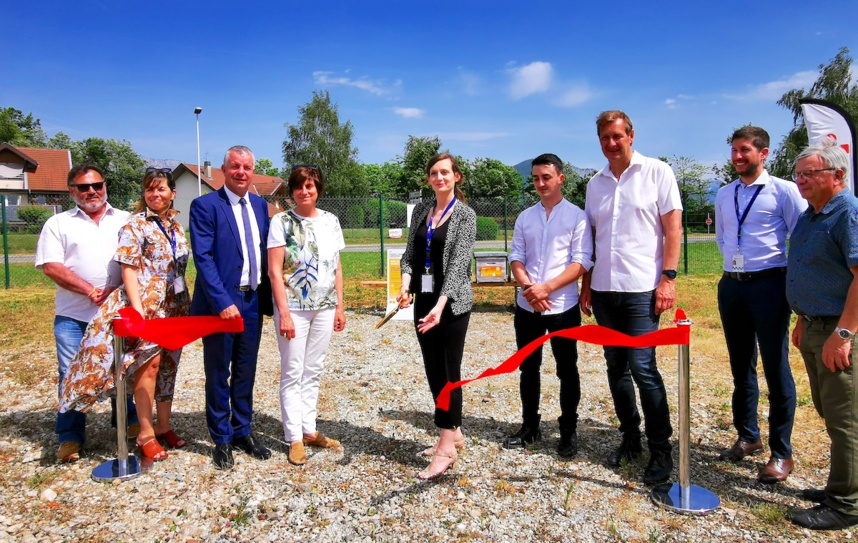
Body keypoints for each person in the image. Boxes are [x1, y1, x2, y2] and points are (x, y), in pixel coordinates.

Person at [579, 110, 683, 485]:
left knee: (643, 368)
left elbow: (673, 229)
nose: (611, 143)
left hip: (642, 289)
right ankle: (630, 438)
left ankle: (661, 450)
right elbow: (590, 238)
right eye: (605, 137)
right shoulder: (595, 184)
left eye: (617, 136)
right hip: (605, 291)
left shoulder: (657, 172)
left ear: (631, 135)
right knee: (616, 369)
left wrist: (667, 279)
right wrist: (587, 284)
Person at [59, 168, 191, 461]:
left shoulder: (176, 227)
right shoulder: (134, 226)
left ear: (172, 193)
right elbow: (128, 269)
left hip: (175, 308)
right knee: (150, 365)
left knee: (169, 366)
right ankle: (144, 432)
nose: (155, 195)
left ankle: (163, 426)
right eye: (150, 190)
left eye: (161, 189)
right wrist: (138, 311)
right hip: (148, 308)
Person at [714, 126, 806, 483]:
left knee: (775, 367)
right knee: (741, 366)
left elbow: (799, 240)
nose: (737, 157)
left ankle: (781, 451)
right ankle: (748, 436)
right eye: (734, 150)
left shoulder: (784, 191)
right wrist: (735, 264)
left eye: (744, 151)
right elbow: (723, 235)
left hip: (770, 285)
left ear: (763, 153)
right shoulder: (725, 193)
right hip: (732, 286)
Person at [35, 162, 138, 463]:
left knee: (122, 368)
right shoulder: (59, 224)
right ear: (72, 191)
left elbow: (136, 261)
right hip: (74, 315)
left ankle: (126, 420)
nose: (92, 191)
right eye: (84, 187)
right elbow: (51, 265)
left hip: (117, 313)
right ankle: (69, 437)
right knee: (70, 374)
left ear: (105, 186)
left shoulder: (125, 220)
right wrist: (89, 290)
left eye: (97, 185)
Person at [786, 139, 858, 531]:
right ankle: (842, 487)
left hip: (837, 330)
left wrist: (843, 333)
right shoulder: (812, 215)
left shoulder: (848, 213)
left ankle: (846, 505)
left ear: (838, 175)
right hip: (813, 326)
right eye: (798, 175)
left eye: (809, 174)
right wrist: (800, 319)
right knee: (831, 413)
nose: (801, 181)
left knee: (846, 418)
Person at [503, 153, 593, 457]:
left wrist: (547, 288)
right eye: (535, 178)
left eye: (546, 177)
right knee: (529, 367)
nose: (540, 183)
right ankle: (530, 427)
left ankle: (568, 430)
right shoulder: (525, 217)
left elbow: (581, 261)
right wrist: (529, 288)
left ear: (560, 179)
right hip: (527, 305)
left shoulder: (577, 216)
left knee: (567, 369)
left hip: (562, 306)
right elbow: (516, 257)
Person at [190, 145, 273, 470]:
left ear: (253, 171)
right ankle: (221, 439)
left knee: (245, 370)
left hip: (252, 300)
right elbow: (204, 258)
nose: (241, 172)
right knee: (217, 371)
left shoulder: (261, 205)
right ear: (224, 170)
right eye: (235, 166)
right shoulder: (205, 206)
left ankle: (242, 430)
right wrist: (222, 302)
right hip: (220, 304)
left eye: (247, 167)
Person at [398, 152, 476, 480]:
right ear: (428, 179)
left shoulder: (465, 215)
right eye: (433, 173)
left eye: (445, 172)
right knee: (432, 368)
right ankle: (452, 432)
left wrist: (440, 306)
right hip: (424, 298)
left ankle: (446, 448)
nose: (439, 177)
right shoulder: (420, 211)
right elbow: (409, 256)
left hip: (451, 305)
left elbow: (458, 265)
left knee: (448, 371)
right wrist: (405, 287)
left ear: (456, 176)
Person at [268, 165, 346, 466]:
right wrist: (284, 313)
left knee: (313, 368)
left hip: (325, 306)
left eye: (310, 186)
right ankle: (294, 437)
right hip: (293, 309)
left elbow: (336, 266)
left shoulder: (331, 221)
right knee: (293, 371)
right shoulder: (282, 222)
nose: (305, 191)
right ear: (292, 190)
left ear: (318, 190)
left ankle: (310, 428)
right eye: (300, 186)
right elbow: (275, 271)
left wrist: (340, 305)